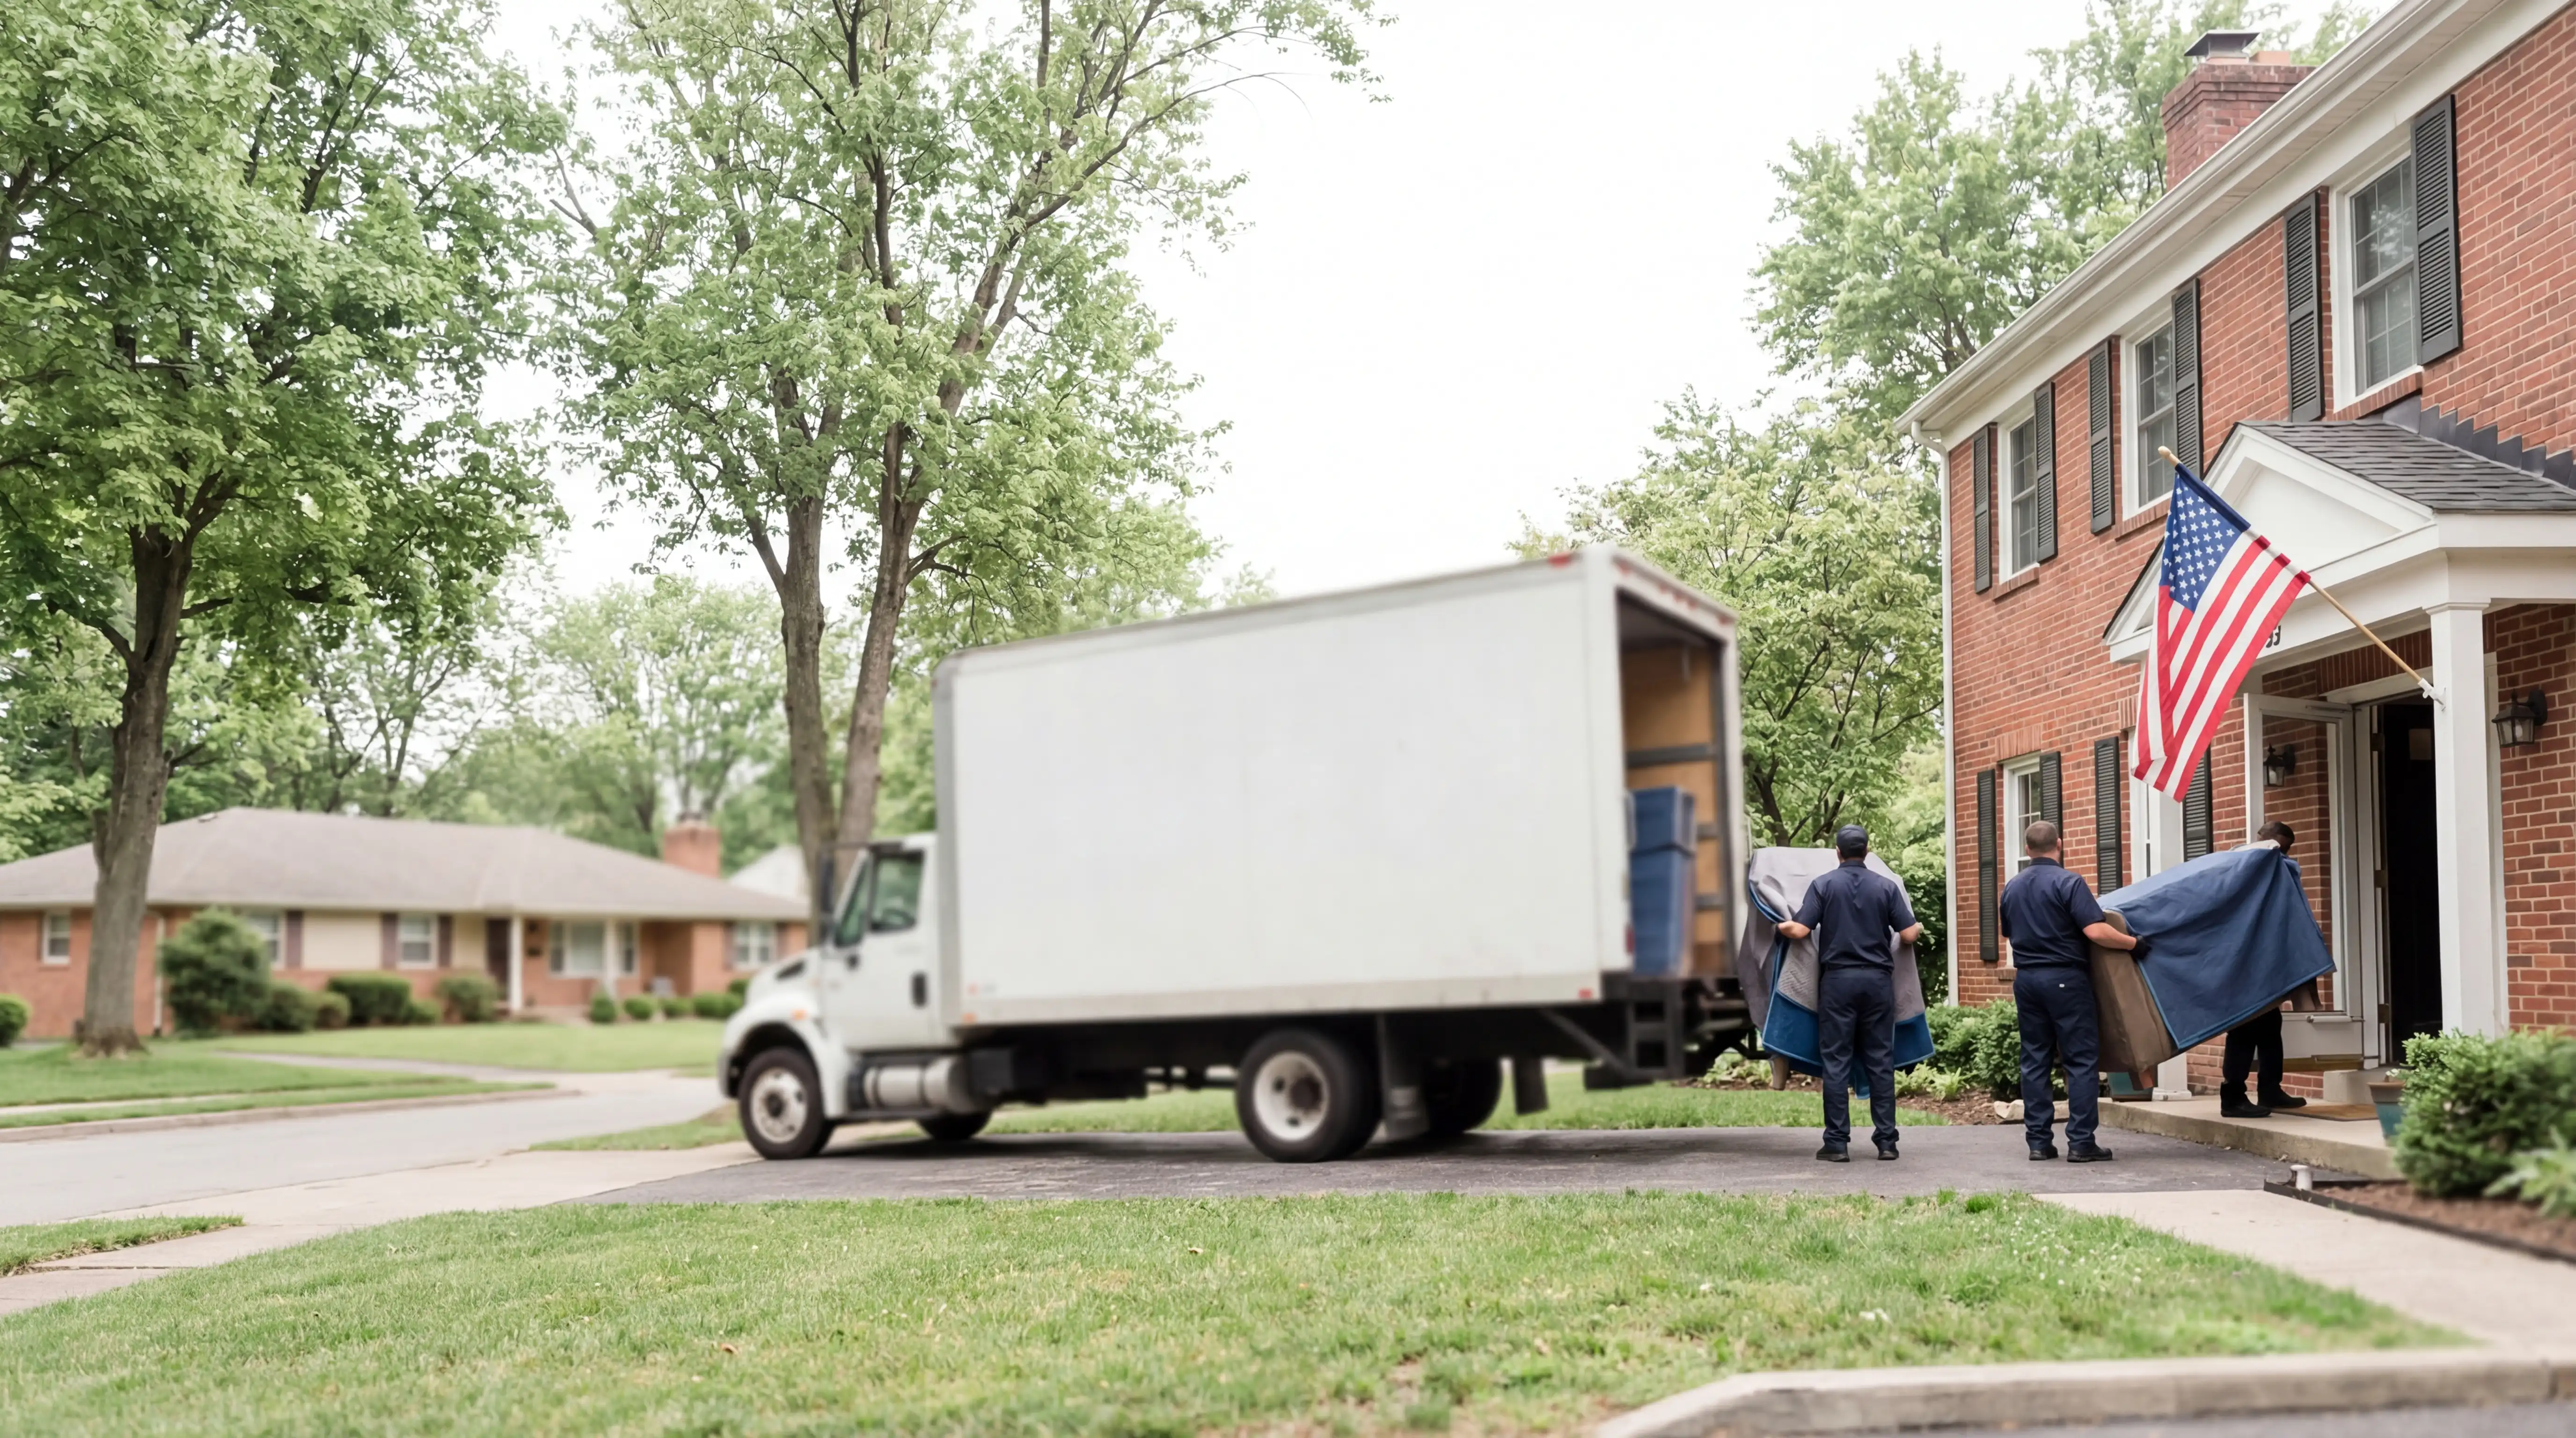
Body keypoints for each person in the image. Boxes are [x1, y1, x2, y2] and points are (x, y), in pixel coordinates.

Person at [1775, 824, 1924, 1163]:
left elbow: (1799, 930)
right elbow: (1909, 935)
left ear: (1838, 853)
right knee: (1880, 1062)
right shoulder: (1886, 887)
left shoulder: (1824, 885)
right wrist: (1914, 927)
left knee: (1837, 1062)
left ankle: (1837, 1144)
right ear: (1867, 851)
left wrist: (1778, 925)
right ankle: (1887, 1142)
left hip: (1838, 984)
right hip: (1876, 983)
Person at [1998, 819, 2137, 1162]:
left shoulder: (2012, 887)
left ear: (2027, 849)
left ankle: (2039, 1143)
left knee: (2034, 1060)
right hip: (2065, 978)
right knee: (2079, 1061)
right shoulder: (2069, 882)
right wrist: (2134, 944)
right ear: (2059, 845)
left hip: (2027, 981)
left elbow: (2007, 933)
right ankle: (2081, 1142)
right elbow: (2096, 932)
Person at [2220, 820, 2308, 1118]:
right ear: (2269, 842)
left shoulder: (2266, 868)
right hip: (2242, 960)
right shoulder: (2244, 864)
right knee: (2244, 1028)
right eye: (2281, 849)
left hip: (2262, 961)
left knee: (2270, 1027)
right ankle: (2232, 1097)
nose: (2282, 857)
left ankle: (2270, 1090)